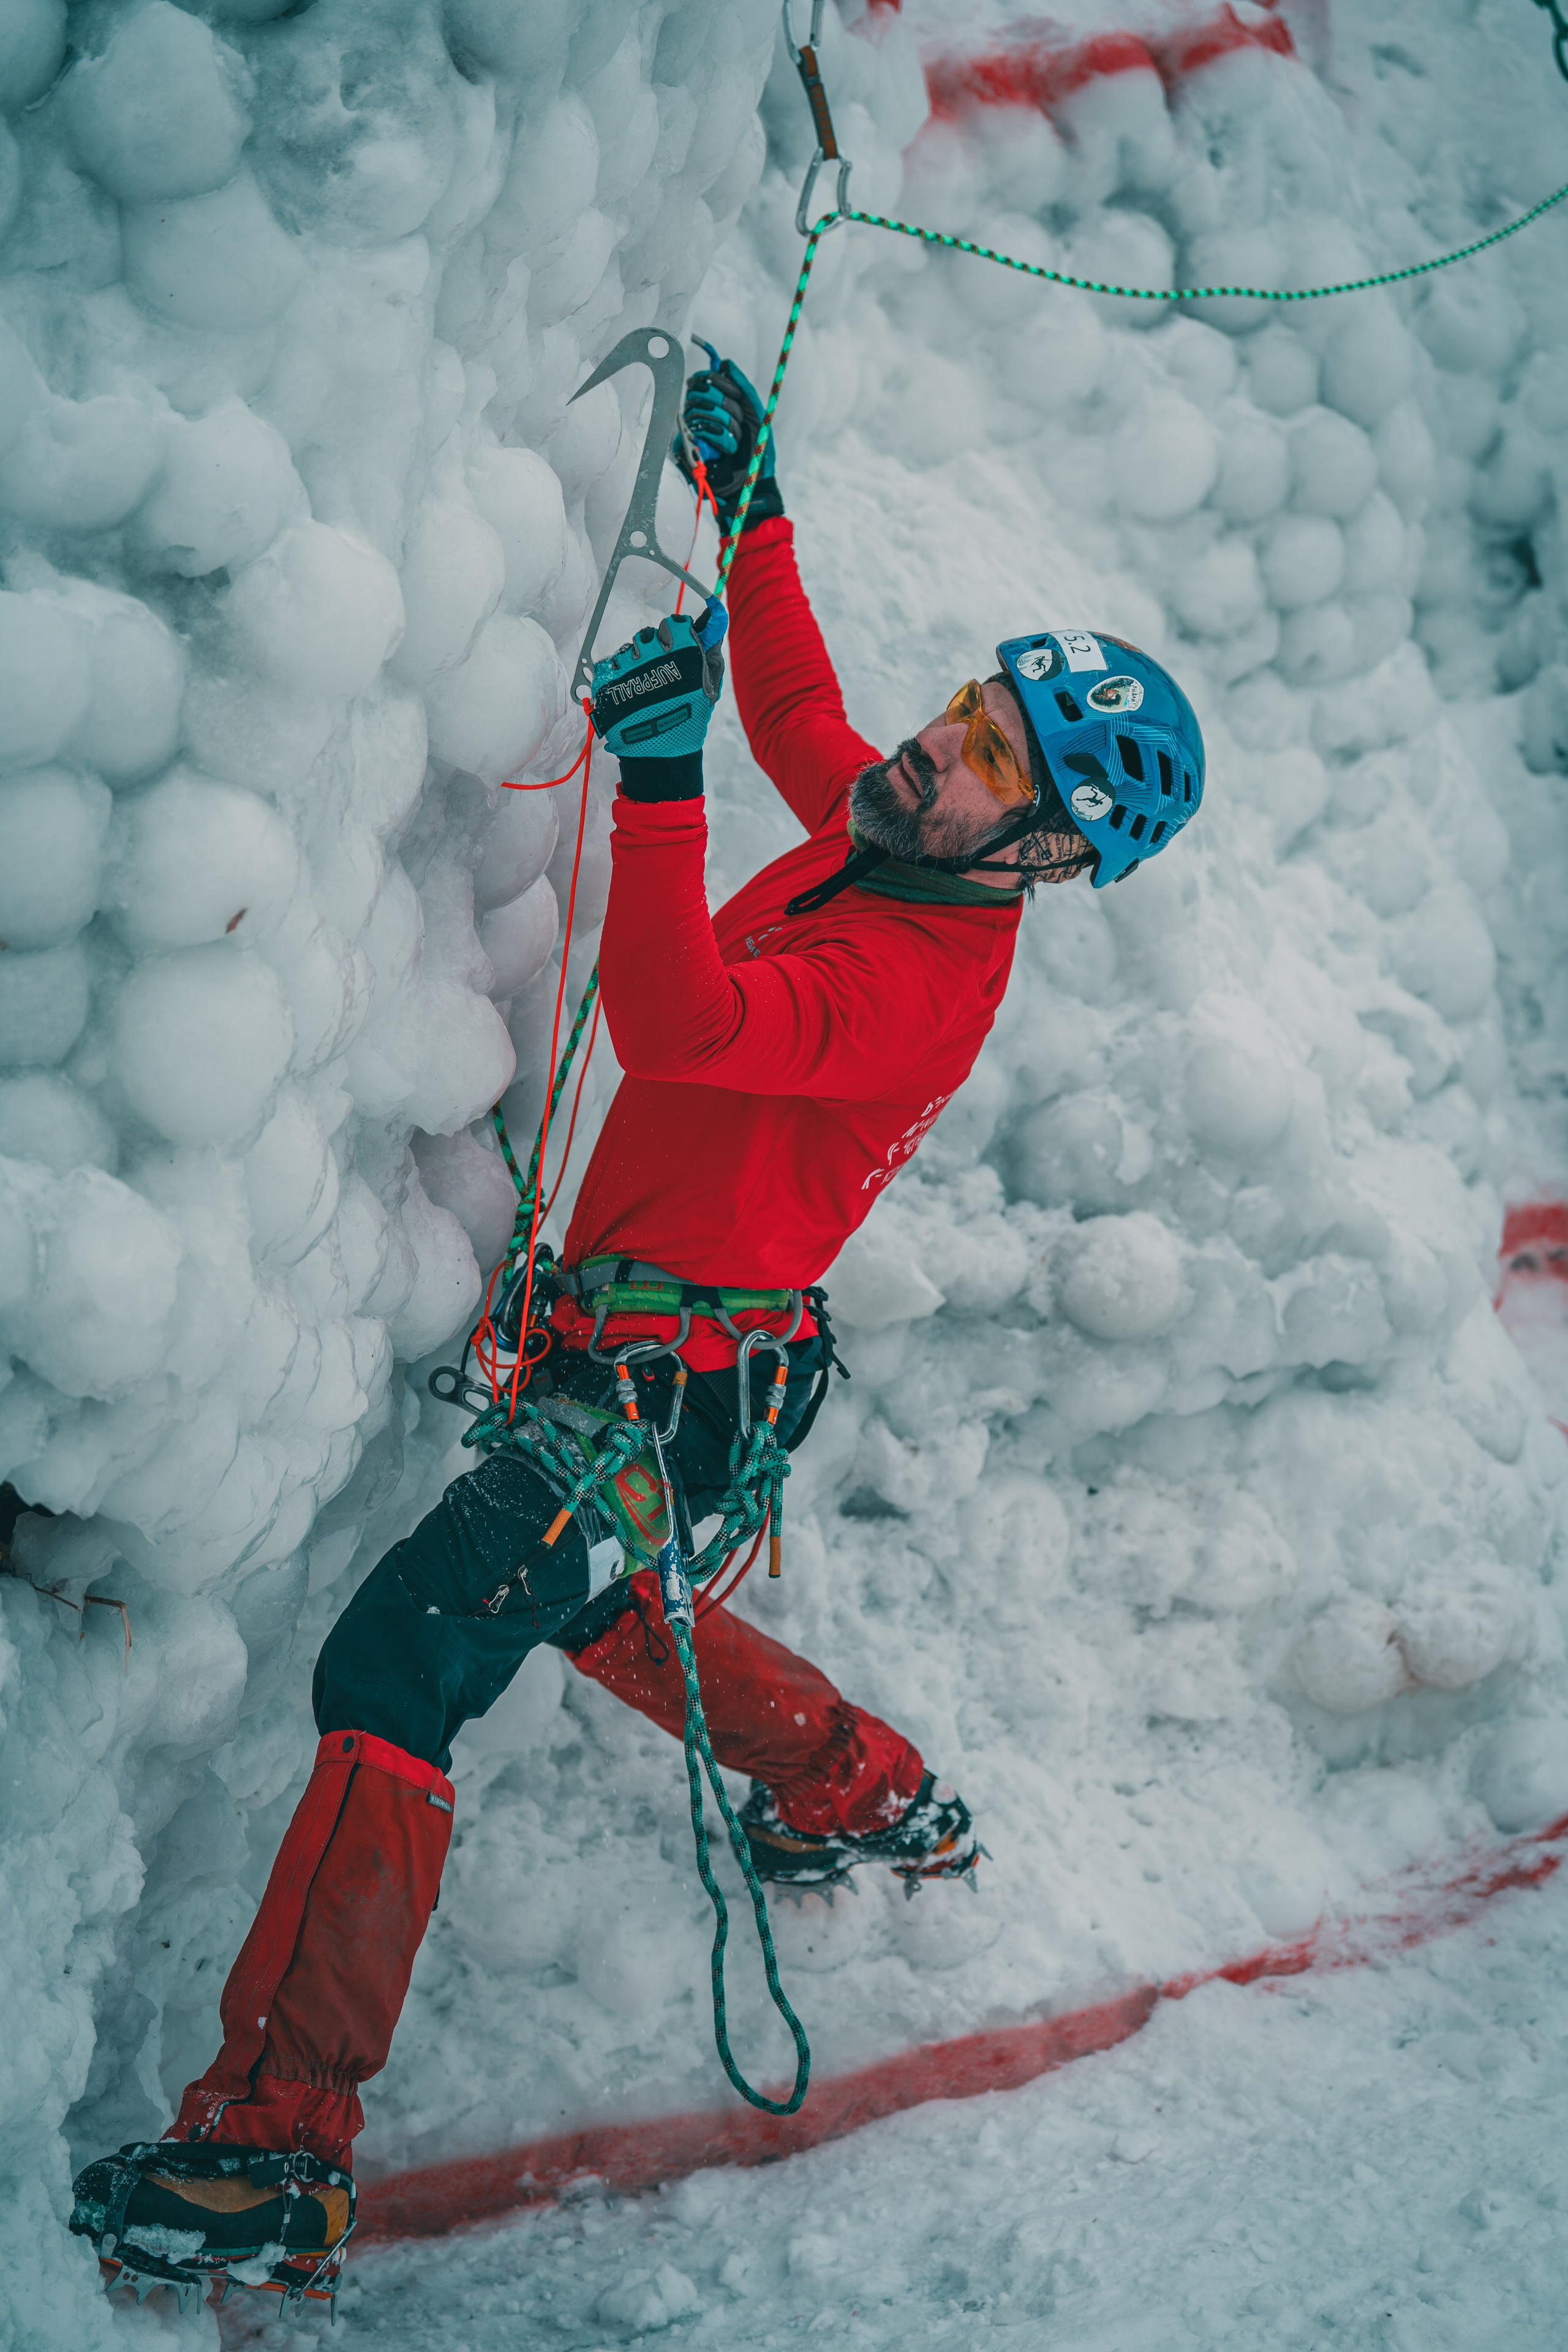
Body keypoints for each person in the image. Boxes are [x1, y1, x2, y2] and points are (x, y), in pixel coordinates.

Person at [70, 355, 1205, 2305]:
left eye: (998, 762)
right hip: (662, 1377)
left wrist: (660, 791)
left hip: (658, 1390)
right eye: (969, 714)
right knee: (590, 1604)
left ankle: (276, 2152)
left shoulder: (917, 977)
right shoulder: (901, 836)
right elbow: (806, 719)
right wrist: (754, 512)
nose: (939, 751)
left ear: (1048, 859)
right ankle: (858, 1786)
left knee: (408, 1648)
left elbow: (684, 1027)